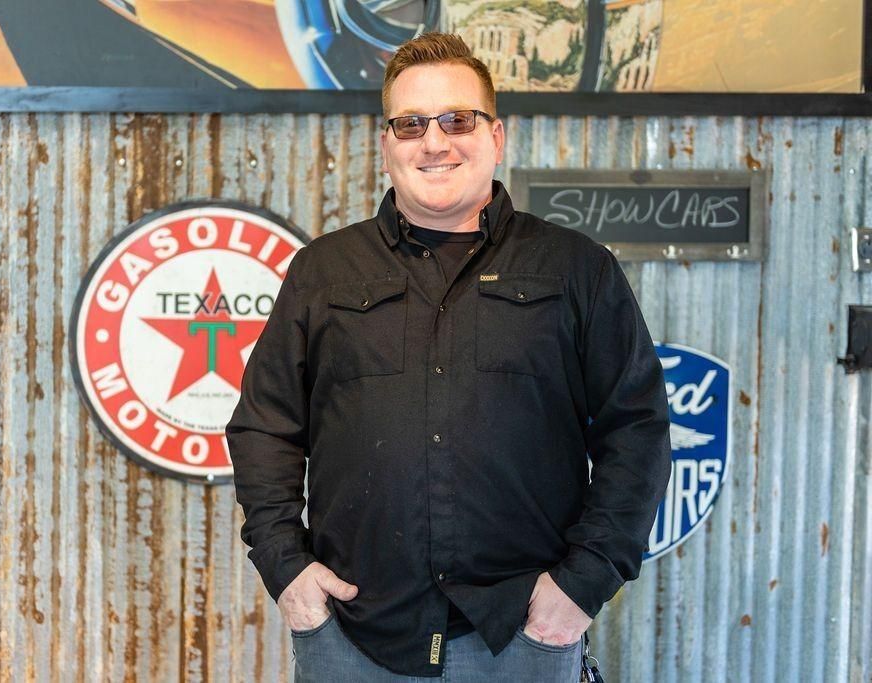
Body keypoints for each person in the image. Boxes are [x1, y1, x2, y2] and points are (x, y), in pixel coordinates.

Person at [226, 32, 671, 682]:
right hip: (353, 639)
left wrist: (581, 585)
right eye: (410, 124)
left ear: (496, 136)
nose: (434, 141)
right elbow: (264, 427)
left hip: (520, 634)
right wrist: (286, 569)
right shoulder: (324, 272)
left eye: (456, 119)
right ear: (386, 148)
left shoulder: (576, 269)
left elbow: (637, 430)